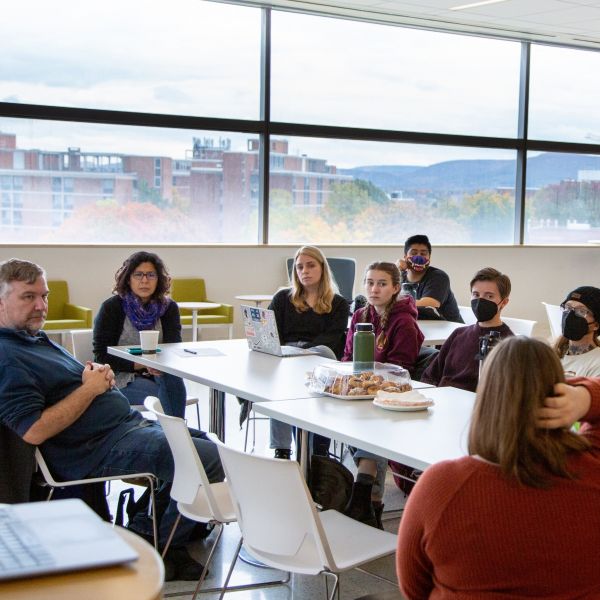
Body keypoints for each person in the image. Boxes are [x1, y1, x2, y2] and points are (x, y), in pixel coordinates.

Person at [0, 258, 224, 581]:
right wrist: (90, 389)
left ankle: (156, 533)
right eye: (28, 297)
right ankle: (150, 541)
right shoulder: (8, 357)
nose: (41, 305)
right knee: (208, 458)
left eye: (44, 295)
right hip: (95, 448)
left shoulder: (31, 337)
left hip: (122, 426)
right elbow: (34, 430)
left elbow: (64, 385)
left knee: (203, 441)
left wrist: (93, 376)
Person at [397, 336, 600, 599]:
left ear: (487, 396)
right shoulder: (592, 469)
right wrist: (585, 396)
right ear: (558, 390)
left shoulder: (442, 486)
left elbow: (413, 590)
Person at [341, 261, 424, 528]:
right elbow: (346, 357)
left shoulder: (404, 322)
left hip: (392, 396)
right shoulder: (360, 316)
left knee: (368, 425)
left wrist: (369, 381)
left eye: (382, 284)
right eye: (370, 283)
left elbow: (402, 369)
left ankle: (365, 492)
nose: (374, 289)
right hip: (361, 393)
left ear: (395, 288)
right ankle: (368, 496)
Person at [267, 246, 349, 459]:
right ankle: (282, 449)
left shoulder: (338, 303)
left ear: (322, 268)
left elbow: (332, 339)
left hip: (320, 359)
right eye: (300, 267)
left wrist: (302, 353)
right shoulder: (283, 298)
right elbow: (270, 331)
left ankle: (317, 452)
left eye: (310, 265)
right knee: (282, 383)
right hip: (286, 356)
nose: (304, 271)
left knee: (320, 353)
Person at [93, 251, 187, 418]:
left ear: (159, 279)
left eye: (151, 275)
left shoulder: (169, 308)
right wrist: (144, 364)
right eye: (138, 275)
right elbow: (102, 357)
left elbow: (173, 348)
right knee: (166, 393)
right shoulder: (112, 307)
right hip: (121, 376)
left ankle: (175, 437)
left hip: (160, 372)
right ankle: (178, 437)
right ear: (128, 279)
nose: (145, 280)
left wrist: (158, 365)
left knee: (170, 380)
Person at [421, 267, 513, 392]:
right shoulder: (459, 334)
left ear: (504, 302)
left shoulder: (509, 344)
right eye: (476, 294)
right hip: (441, 402)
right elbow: (430, 376)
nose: (480, 300)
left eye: (489, 296)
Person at [397, 234, 463, 323]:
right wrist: (395, 269)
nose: (419, 257)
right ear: (405, 257)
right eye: (414, 253)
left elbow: (430, 304)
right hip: (417, 327)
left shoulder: (438, 276)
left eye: (423, 254)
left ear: (429, 257)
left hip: (449, 330)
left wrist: (393, 304)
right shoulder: (399, 276)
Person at [554, 286, 600, 377]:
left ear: (596, 325)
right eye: (567, 307)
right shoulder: (552, 355)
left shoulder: (597, 363)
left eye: (581, 311)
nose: (570, 315)